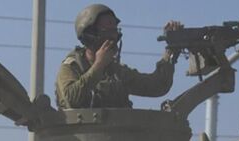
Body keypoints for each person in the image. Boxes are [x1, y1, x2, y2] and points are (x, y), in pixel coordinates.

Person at [55, 5, 186, 109]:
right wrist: (98, 66)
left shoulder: (116, 72)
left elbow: (156, 86)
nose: (113, 38)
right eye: (107, 32)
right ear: (90, 35)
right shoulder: (72, 66)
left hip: (120, 139)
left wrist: (170, 51)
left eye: (115, 31)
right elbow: (71, 100)